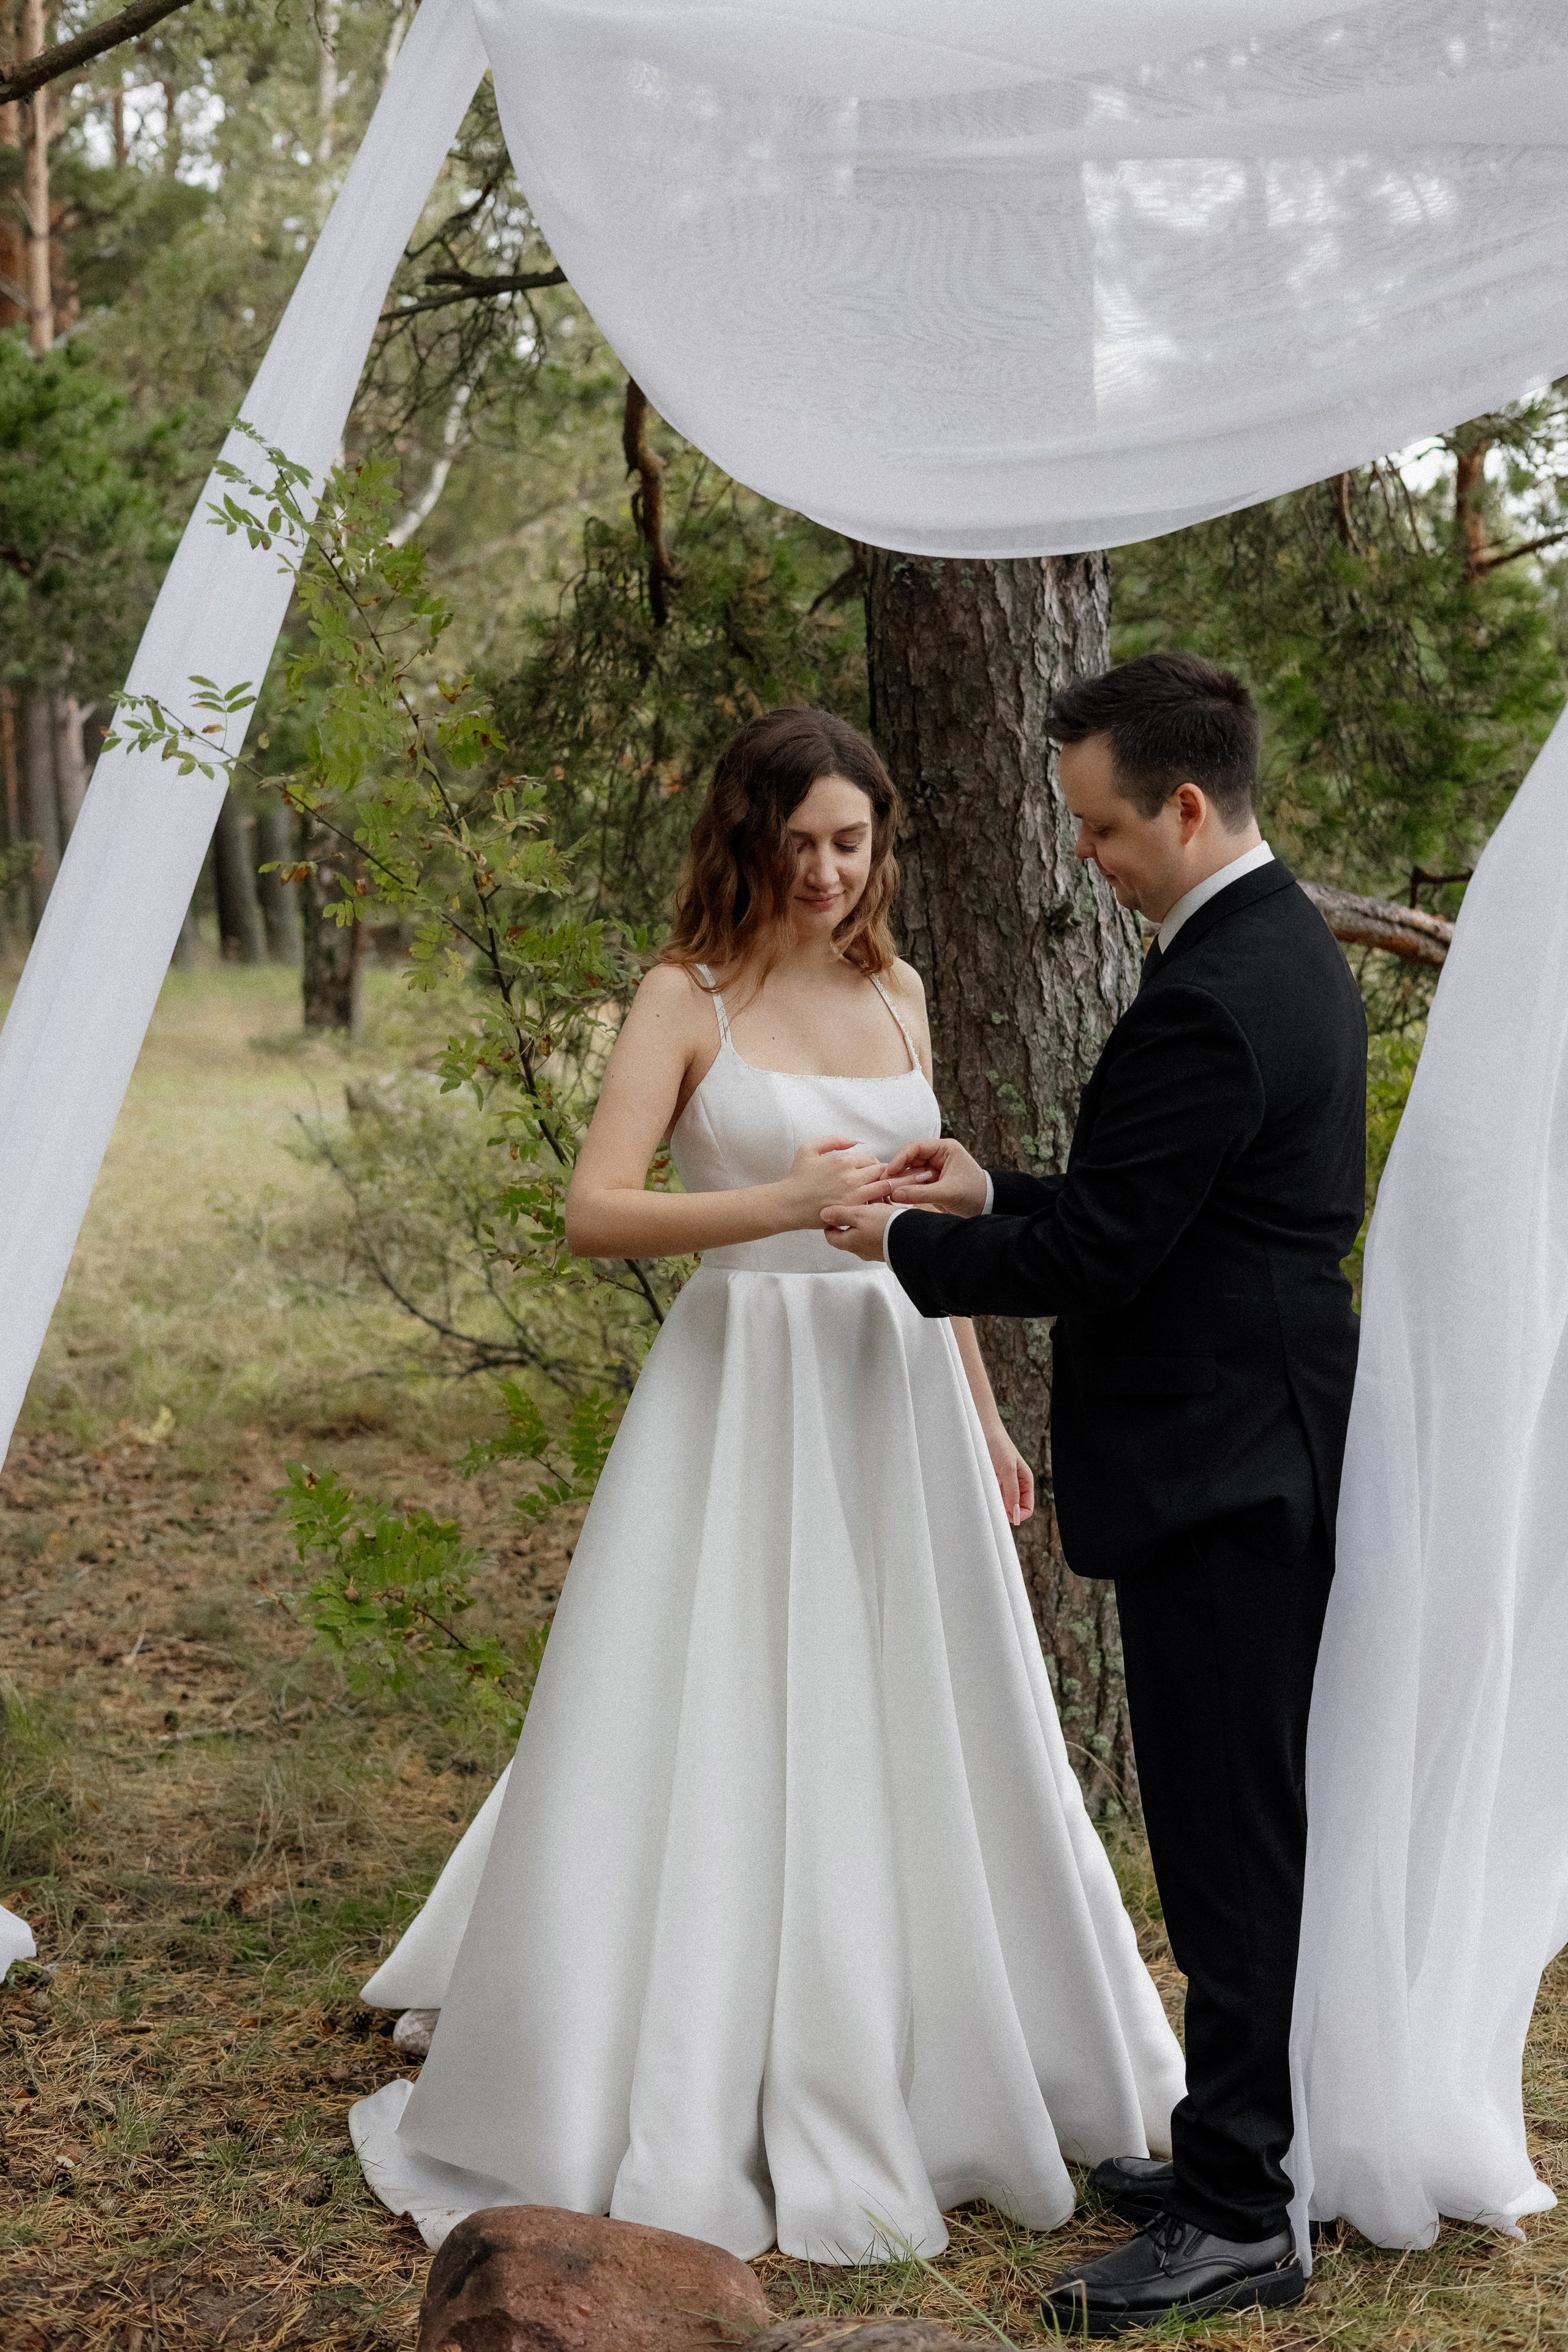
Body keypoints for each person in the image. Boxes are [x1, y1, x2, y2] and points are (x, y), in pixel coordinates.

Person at [349, 704, 1184, 2263]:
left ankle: (932, 2045)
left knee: (906, 1710)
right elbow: (595, 1212)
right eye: (795, 842)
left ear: (879, 843)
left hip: (893, 1391)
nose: (823, 872)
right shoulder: (687, 996)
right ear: (748, 838)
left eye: (849, 842)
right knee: (720, 1699)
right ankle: (689, 2034)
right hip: (743, 1386)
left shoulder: (902, 991)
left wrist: (986, 1413)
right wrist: (767, 1205)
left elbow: (927, 1229)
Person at [827, 654, 1366, 2331]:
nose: (1086, 855)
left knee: (1229, 1848)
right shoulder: (1273, 951)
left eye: (1102, 826)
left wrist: (911, 1243)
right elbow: (1165, 1205)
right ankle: (1226, 2145)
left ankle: (1238, 2218)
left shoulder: (1217, 988)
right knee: (1226, 1830)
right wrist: (997, 1184)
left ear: (1187, 809)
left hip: (1230, 1467)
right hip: (1249, 1436)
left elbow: (1114, 1252)